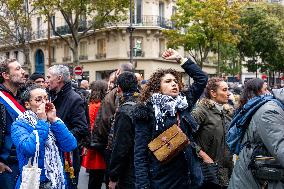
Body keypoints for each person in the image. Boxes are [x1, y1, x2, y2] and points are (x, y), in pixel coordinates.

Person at [132, 48, 208, 189]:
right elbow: (140, 152)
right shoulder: (146, 110)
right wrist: (143, 185)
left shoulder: (184, 103)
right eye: (167, 81)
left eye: (175, 81)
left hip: (189, 177)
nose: (174, 84)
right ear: (157, 88)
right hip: (162, 180)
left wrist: (180, 59)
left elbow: (202, 79)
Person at [11, 85, 77, 189]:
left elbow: (70, 145)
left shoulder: (53, 122)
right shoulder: (19, 124)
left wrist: (54, 120)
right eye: (38, 100)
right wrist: (41, 121)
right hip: (35, 183)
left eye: (46, 98)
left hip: (57, 181)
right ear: (28, 104)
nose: (44, 102)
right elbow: (29, 149)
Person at [227, 78, 284, 189]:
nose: (268, 92)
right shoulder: (270, 111)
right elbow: (281, 149)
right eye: (265, 89)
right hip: (255, 181)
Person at [92, 63, 134, 188]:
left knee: (114, 182)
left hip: (114, 148)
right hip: (121, 148)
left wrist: (104, 145)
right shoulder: (134, 95)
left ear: (118, 72)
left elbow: (108, 123)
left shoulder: (118, 94)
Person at [46, 65, 88, 188]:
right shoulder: (51, 96)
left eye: (49, 77)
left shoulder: (74, 99)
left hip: (66, 156)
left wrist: (60, 138)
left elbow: (82, 128)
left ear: (59, 78)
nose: (46, 80)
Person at [191, 77, 234, 189]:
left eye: (228, 89)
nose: (228, 93)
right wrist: (203, 155)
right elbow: (185, 136)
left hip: (225, 169)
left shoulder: (227, 111)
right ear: (213, 93)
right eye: (224, 90)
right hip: (207, 170)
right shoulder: (201, 110)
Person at [108, 72, 139, 189]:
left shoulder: (125, 111)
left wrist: (113, 176)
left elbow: (121, 147)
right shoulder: (145, 103)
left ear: (119, 88)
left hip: (130, 170)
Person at [0, 58, 26, 189]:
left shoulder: (22, 98)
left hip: (23, 162)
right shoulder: (1, 99)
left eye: (21, 68)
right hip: (7, 166)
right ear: (5, 75)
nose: (23, 72)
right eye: (17, 69)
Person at [81, 80, 108, 189]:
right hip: (98, 142)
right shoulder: (99, 105)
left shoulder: (91, 103)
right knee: (96, 176)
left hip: (92, 141)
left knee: (95, 175)